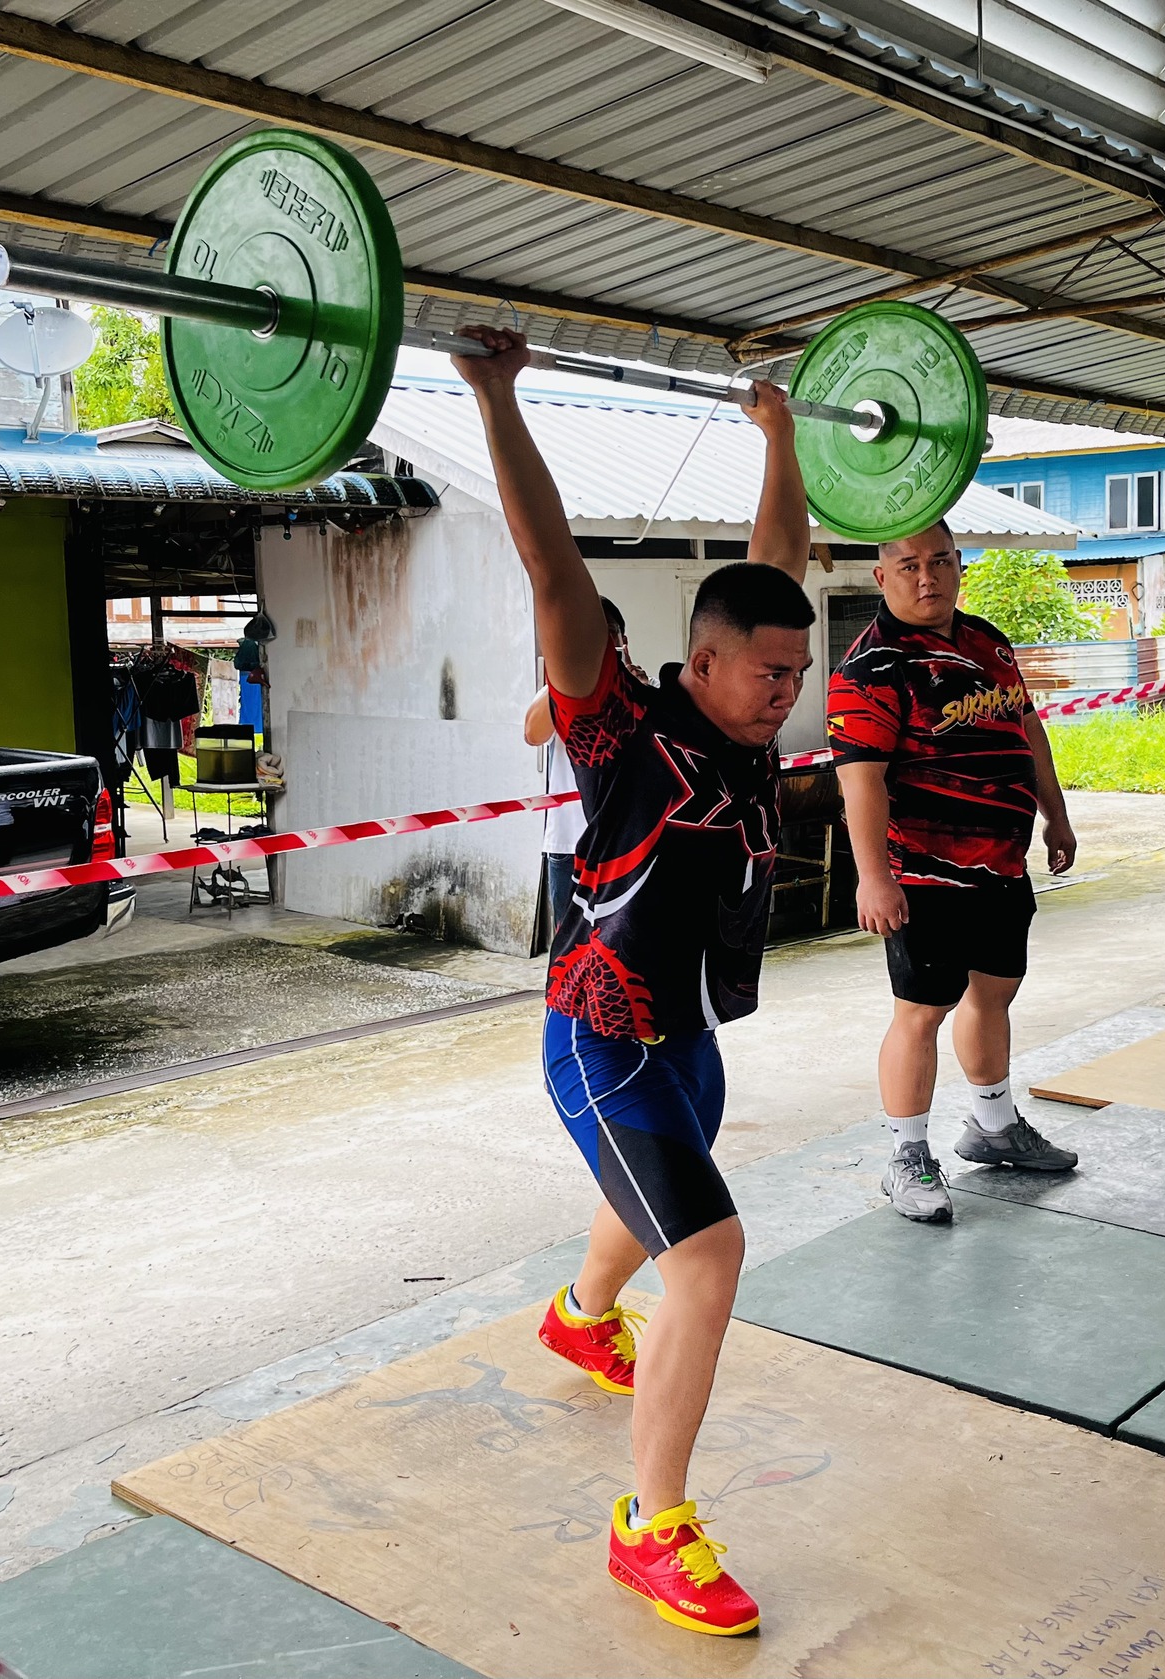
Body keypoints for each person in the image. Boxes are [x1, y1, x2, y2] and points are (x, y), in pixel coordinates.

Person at [453, 325, 810, 1638]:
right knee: (707, 1252)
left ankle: (580, 1313)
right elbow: (551, 566)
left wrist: (778, 434)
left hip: (688, 1032)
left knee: (660, 1191)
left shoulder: (748, 725)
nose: (786, 692)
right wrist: (495, 395)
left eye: (797, 673)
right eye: (768, 672)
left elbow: (776, 563)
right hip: (601, 1038)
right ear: (699, 663)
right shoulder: (622, 730)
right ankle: (649, 1525)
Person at [828, 521, 1081, 1224]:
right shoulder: (871, 667)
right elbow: (861, 782)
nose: (927, 576)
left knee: (995, 993)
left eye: (940, 561)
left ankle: (994, 1125)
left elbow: (1027, 730)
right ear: (882, 577)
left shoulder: (987, 642)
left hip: (1001, 865)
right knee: (922, 1012)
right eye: (909, 565)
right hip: (923, 877)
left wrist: (1056, 815)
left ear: (959, 565)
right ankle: (906, 1156)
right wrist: (873, 877)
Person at [523, 597, 630, 940]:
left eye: (606, 633)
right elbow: (533, 734)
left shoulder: (643, 689)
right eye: (588, 634)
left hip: (628, 843)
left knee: (621, 944)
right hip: (569, 842)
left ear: (622, 640)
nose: (599, 643)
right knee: (569, 943)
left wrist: (629, 684)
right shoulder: (560, 692)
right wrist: (568, 673)